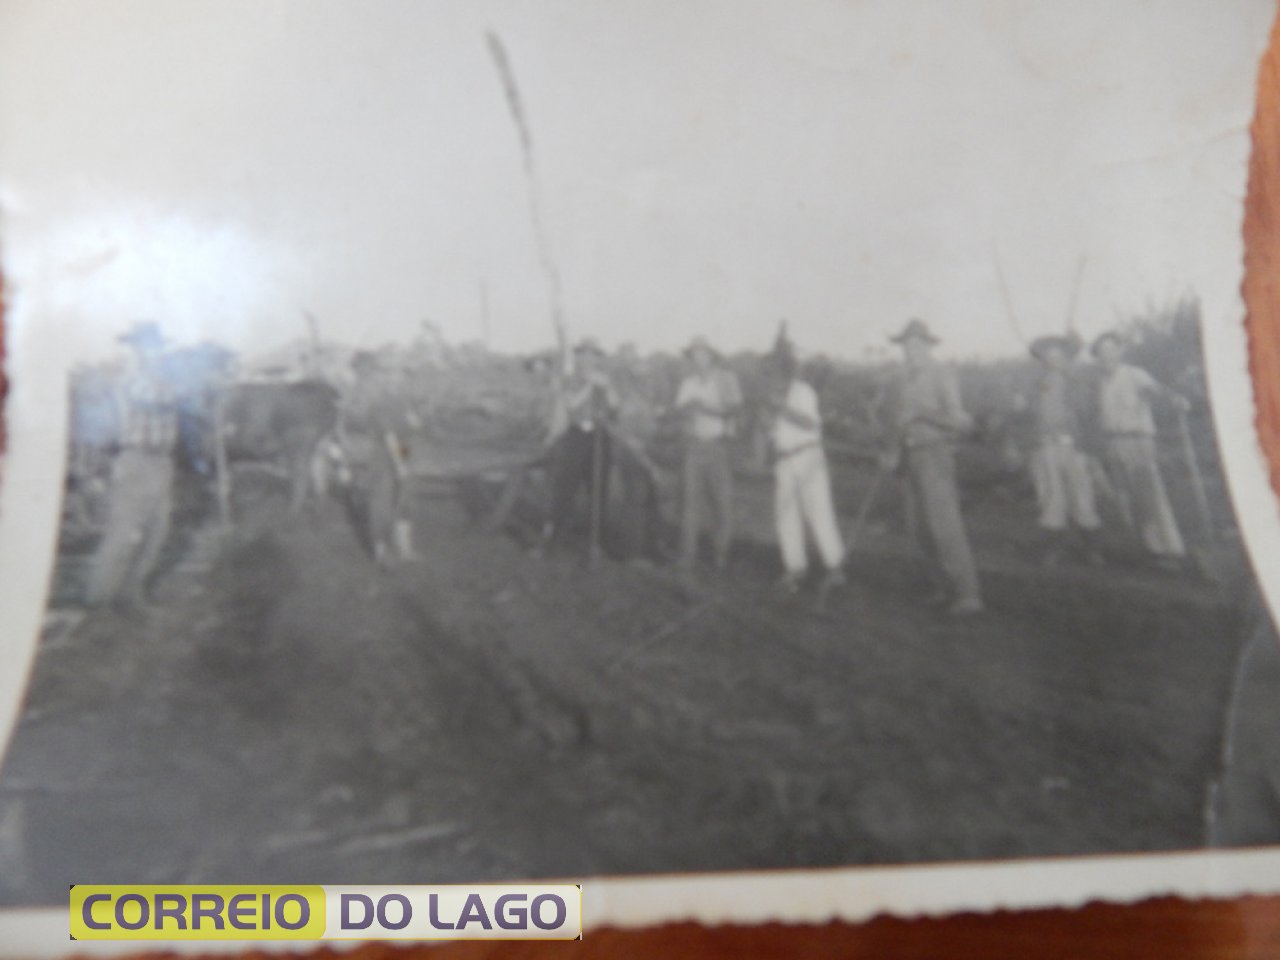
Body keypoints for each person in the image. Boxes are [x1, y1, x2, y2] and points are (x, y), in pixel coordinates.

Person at [880, 319, 983, 616]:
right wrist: (890, 451)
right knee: (917, 527)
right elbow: (894, 423)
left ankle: (968, 593)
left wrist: (921, 413)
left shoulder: (942, 374)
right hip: (908, 459)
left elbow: (960, 421)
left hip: (935, 455)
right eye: (906, 345)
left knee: (943, 525)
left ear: (927, 346)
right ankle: (941, 586)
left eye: (917, 344)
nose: (911, 350)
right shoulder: (898, 379)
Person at [84, 322, 179, 609]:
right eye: (148, 346)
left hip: (161, 462)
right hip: (137, 462)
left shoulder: (162, 378)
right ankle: (100, 601)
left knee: (156, 531)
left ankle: (131, 593)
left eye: (158, 345)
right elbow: (155, 398)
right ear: (137, 349)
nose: (156, 351)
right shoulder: (133, 378)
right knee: (124, 533)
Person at [1091, 331, 1188, 567]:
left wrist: (1175, 399)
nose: (1107, 356)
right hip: (1113, 443)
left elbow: (1153, 390)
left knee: (1149, 494)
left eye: (1111, 350)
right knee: (1126, 497)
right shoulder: (1100, 382)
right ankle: (1147, 548)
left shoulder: (1134, 374)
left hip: (1138, 441)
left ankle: (1169, 549)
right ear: (1097, 357)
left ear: (1120, 351)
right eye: (1102, 352)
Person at [761, 347, 845, 594]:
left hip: (807, 456)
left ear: (786, 370)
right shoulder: (774, 396)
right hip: (784, 460)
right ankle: (795, 568)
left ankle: (835, 568)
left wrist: (781, 409)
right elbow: (773, 432)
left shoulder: (802, 391)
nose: (772, 375)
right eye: (769, 371)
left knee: (818, 512)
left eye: (775, 369)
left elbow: (809, 423)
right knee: (785, 516)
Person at [1026, 333, 1103, 565]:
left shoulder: (1078, 381)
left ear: (1066, 358)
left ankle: (1092, 549)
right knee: (1051, 498)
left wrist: (1089, 448)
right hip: (1046, 446)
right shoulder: (1038, 384)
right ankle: (1054, 548)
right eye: (1048, 356)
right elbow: (1030, 415)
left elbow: (1090, 414)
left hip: (1074, 446)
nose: (1053, 360)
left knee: (1082, 496)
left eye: (1058, 355)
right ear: (1043, 360)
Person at [538, 339, 620, 556]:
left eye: (592, 355)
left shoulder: (604, 379)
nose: (587, 359)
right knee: (566, 487)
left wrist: (607, 387)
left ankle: (597, 544)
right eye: (583, 354)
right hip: (575, 436)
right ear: (578, 357)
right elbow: (571, 405)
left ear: (597, 358)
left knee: (598, 489)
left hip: (599, 436)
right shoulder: (570, 379)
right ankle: (553, 539)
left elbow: (614, 406)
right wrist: (590, 386)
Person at [674, 336, 743, 575]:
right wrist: (688, 408)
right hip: (694, 446)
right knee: (690, 503)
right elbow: (680, 409)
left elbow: (734, 408)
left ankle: (720, 554)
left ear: (711, 356)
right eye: (694, 354)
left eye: (703, 353)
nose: (698, 358)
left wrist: (705, 408)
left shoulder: (726, 379)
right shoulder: (688, 382)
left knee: (722, 503)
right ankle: (687, 556)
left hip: (718, 446)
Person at [342, 351, 416, 566]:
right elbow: (389, 436)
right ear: (384, 379)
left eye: (401, 376)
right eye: (390, 376)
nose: (396, 380)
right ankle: (381, 553)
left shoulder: (402, 401)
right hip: (382, 456)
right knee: (381, 503)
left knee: (406, 501)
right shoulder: (382, 402)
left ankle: (405, 550)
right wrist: (401, 465)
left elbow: (413, 426)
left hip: (404, 451)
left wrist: (413, 424)